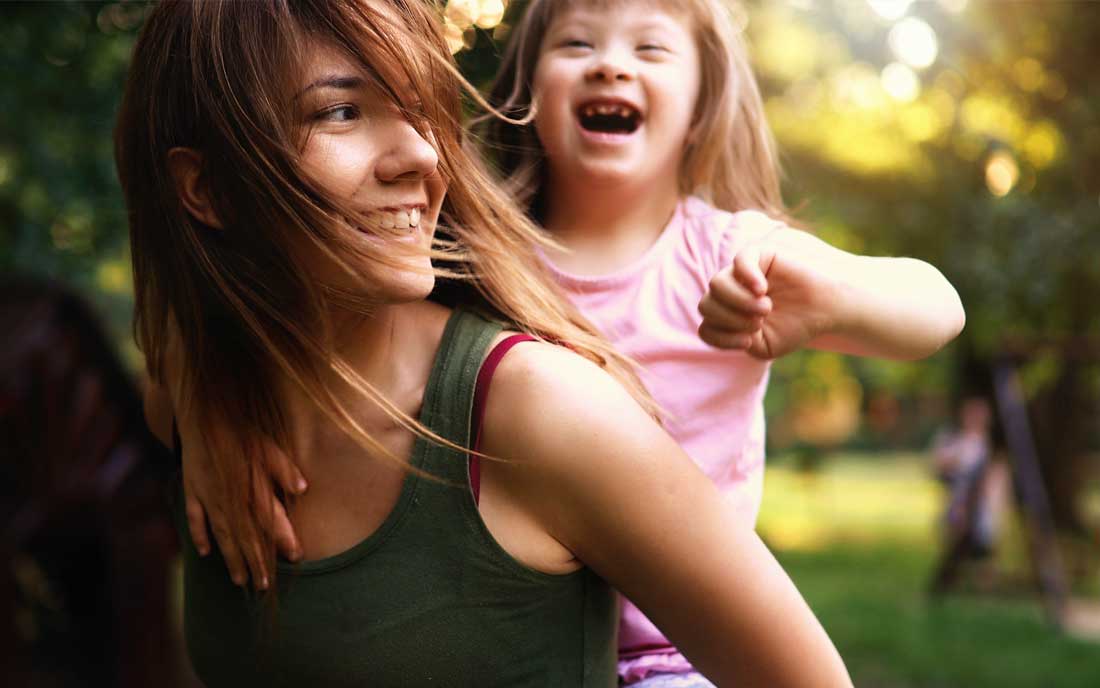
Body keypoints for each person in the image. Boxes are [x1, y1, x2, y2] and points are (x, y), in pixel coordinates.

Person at [122, 0, 852, 685]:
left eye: (418, 110)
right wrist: (205, 386)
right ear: (205, 189)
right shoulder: (195, 397)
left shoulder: (542, 413)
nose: (422, 157)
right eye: (342, 111)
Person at [472, 0, 966, 684]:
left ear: (701, 107)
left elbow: (938, 307)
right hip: (510, 646)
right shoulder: (480, 261)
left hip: (679, 654)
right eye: (578, 43)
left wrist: (829, 298)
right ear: (529, 88)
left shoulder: (733, 255)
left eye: (650, 50)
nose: (611, 64)